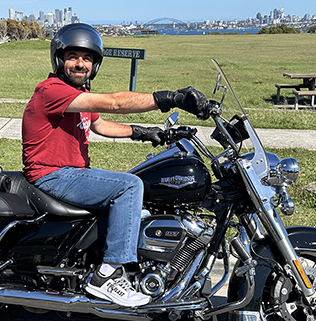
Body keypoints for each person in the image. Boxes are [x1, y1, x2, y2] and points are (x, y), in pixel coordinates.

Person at [21, 23, 208, 307]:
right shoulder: (52, 90)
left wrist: (145, 133)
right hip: (52, 174)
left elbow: (100, 124)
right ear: (59, 58)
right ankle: (107, 276)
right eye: (73, 56)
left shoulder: (77, 95)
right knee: (129, 186)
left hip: (71, 173)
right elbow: (114, 104)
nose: (80, 63)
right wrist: (170, 98)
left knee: (140, 200)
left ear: (95, 64)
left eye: (87, 58)